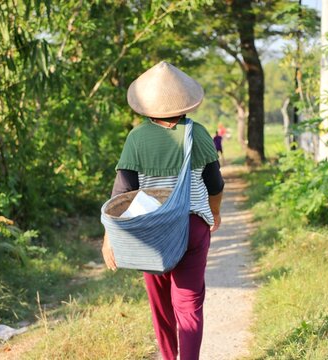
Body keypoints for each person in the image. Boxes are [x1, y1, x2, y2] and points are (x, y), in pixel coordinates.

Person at [101, 61, 224, 360]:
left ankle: (169, 357)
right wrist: (214, 213)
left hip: (152, 232)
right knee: (189, 305)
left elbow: (122, 194)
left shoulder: (137, 138)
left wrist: (109, 238)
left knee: (161, 306)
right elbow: (215, 184)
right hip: (191, 226)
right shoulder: (200, 134)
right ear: (185, 101)